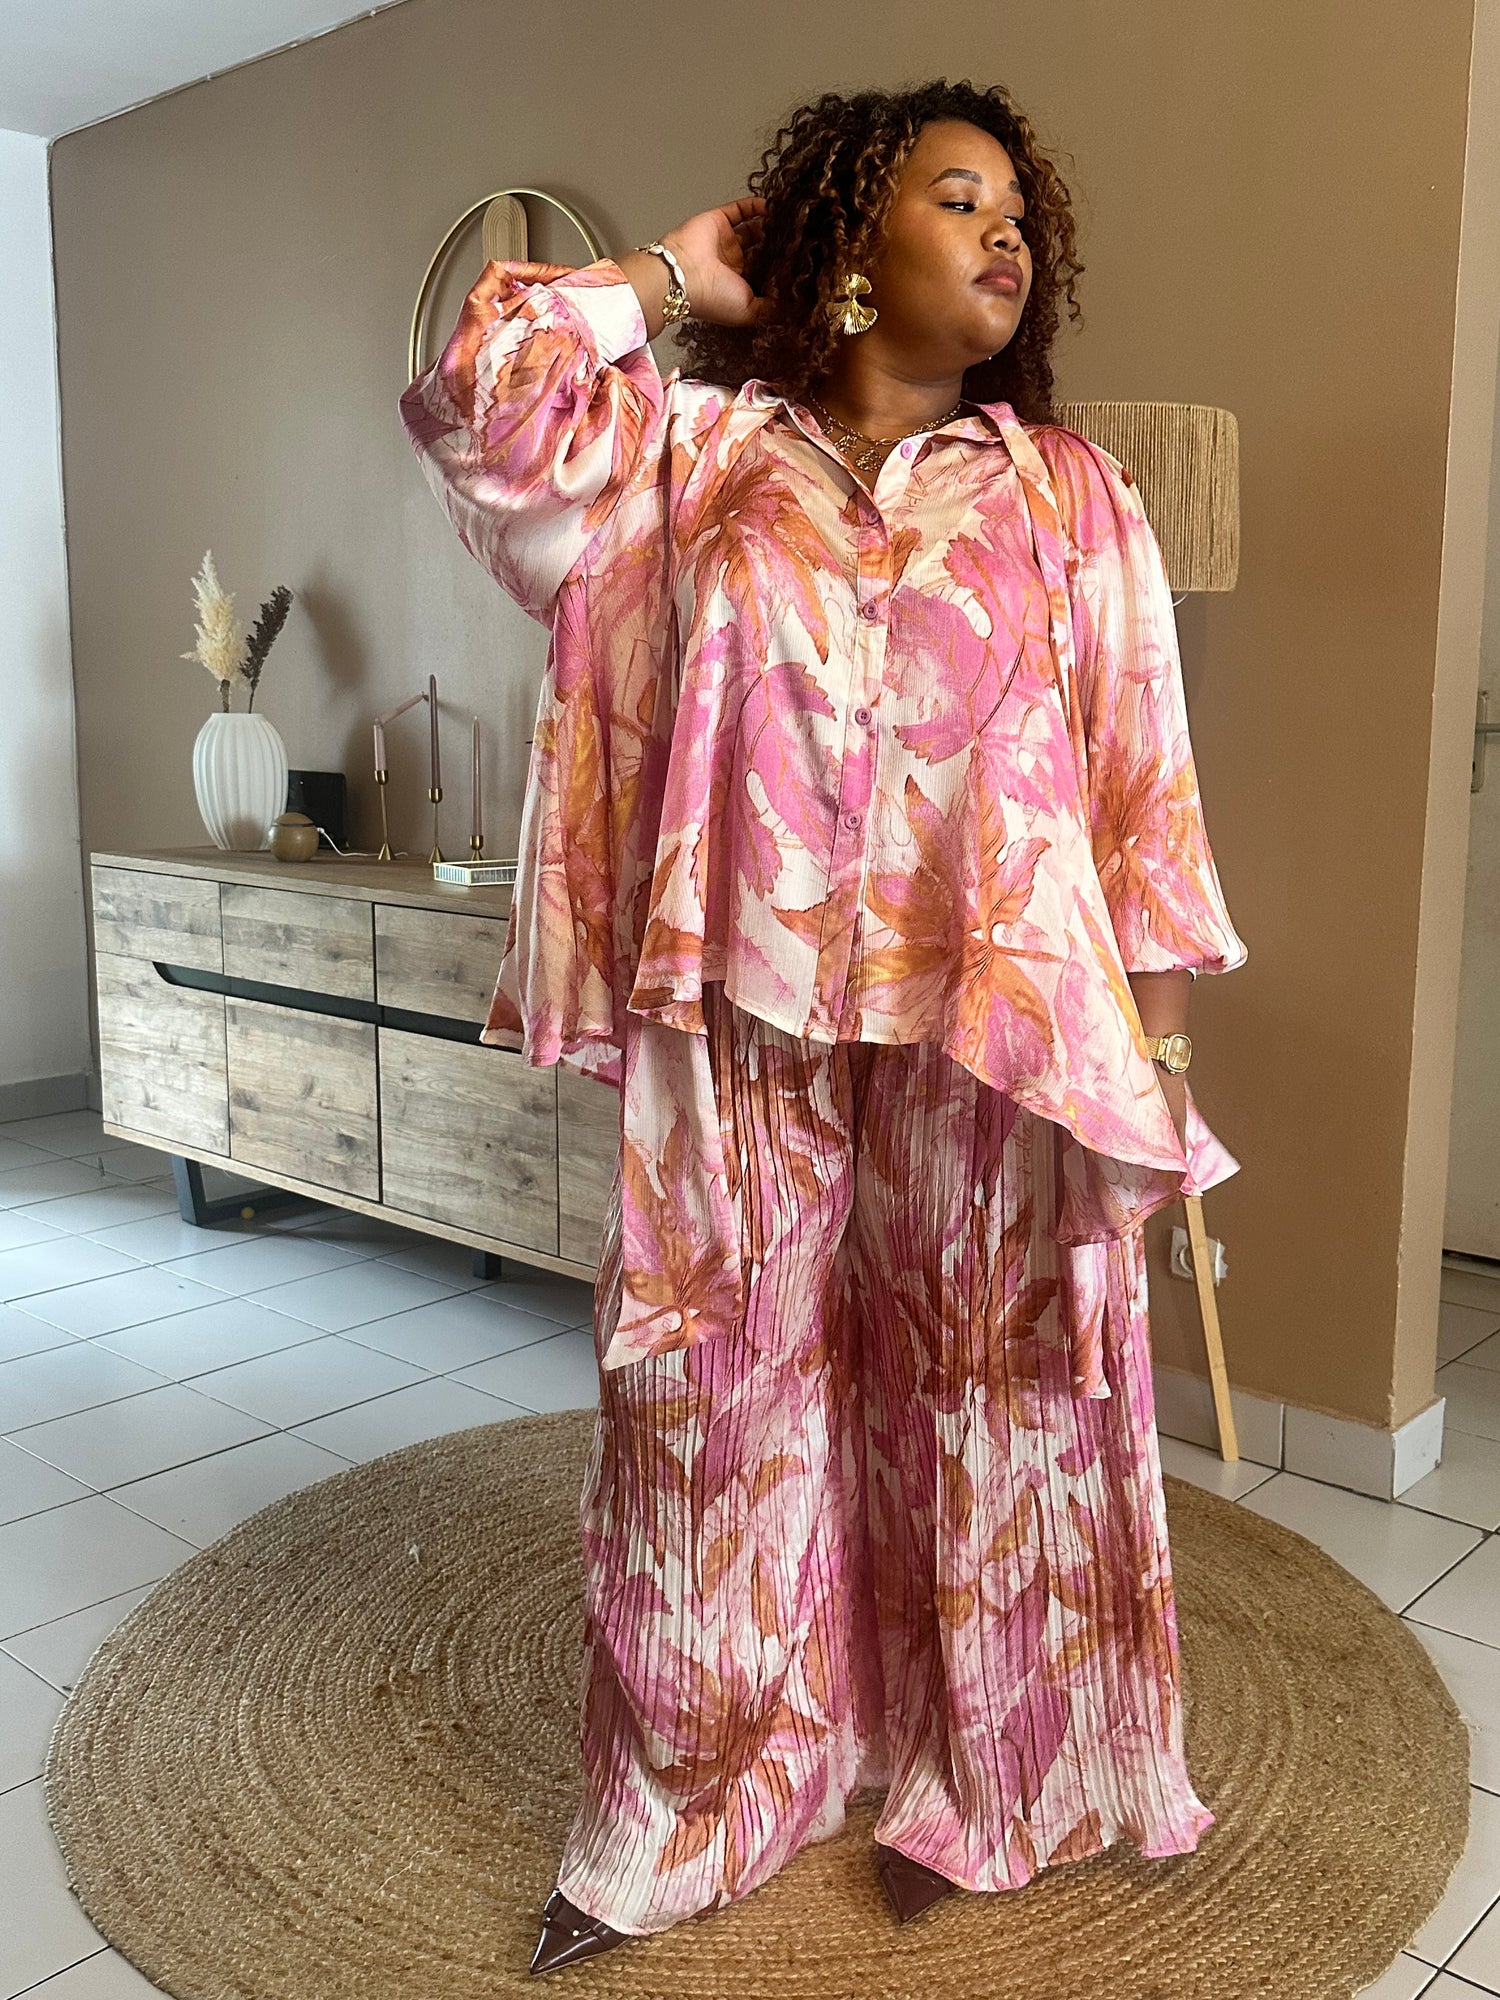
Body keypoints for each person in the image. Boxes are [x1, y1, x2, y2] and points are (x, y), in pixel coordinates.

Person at [399, 75, 1248, 1976]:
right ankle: (695, 1798)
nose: (1005, 230)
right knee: (710, 1401)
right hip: (745, 1007)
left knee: (998, 1399)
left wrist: (1163, 1061)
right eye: (956, 197)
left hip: (1001, 1026)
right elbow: (481, 405)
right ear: (852, 238)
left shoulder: (1067, 495)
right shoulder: (694, 462)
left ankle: (986, 1766)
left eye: (1019, 209)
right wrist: (672, 276)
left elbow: (1143, 797)